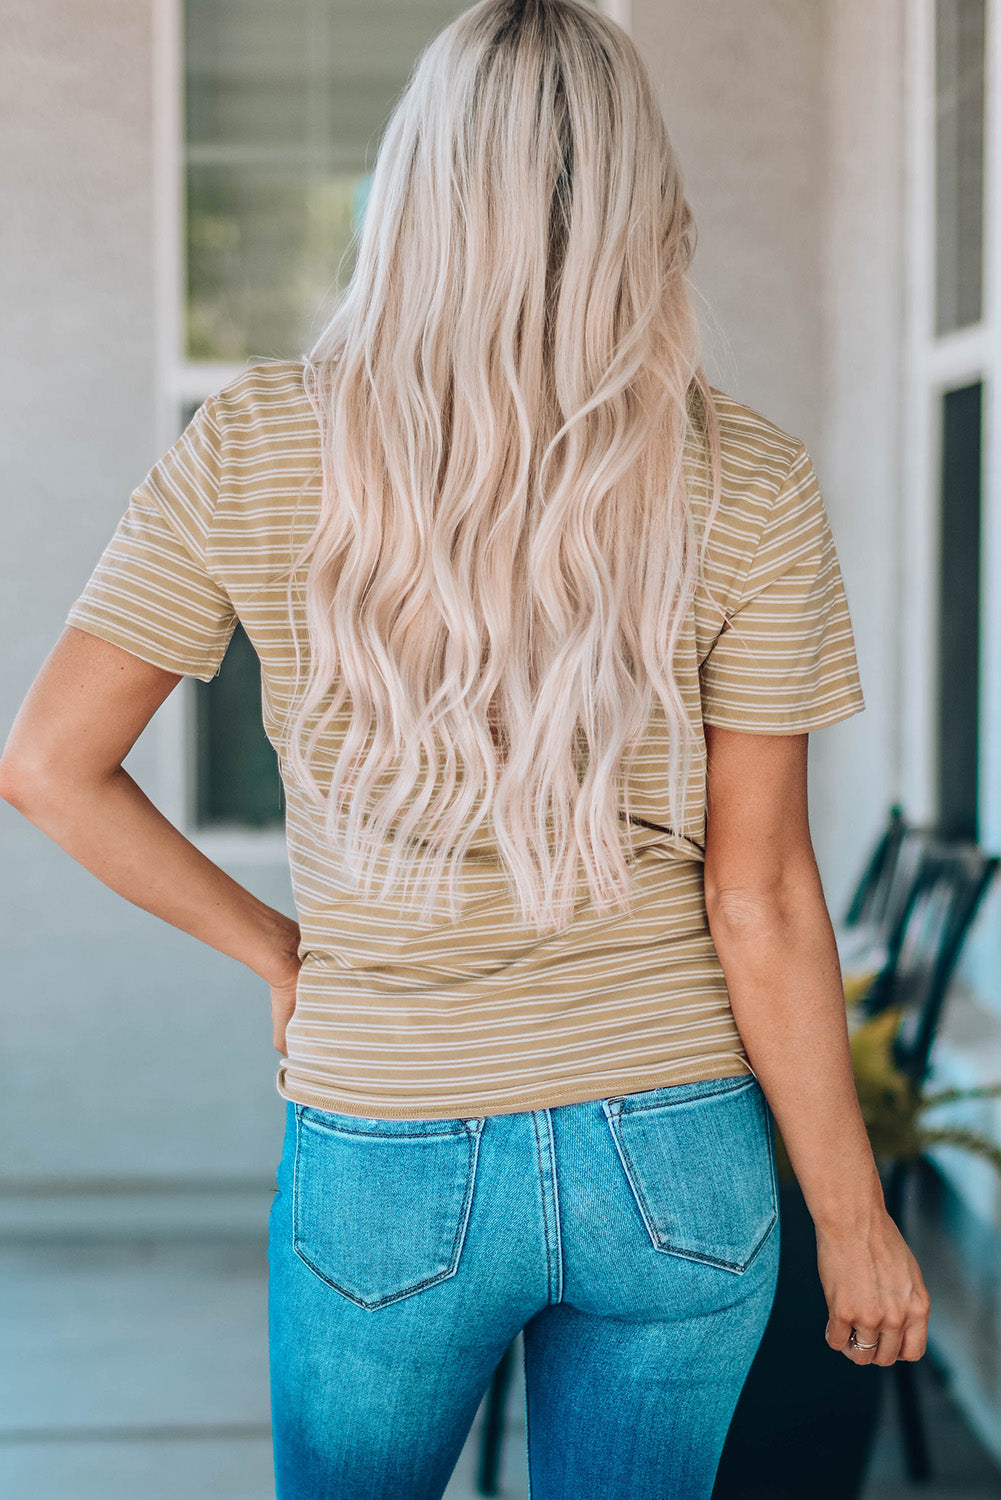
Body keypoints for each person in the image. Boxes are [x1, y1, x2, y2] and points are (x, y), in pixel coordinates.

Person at [0, 1, 930, 1496]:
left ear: (413, 188)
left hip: (385, 1139)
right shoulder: (744, 475)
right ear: (643, 199)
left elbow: (48, 765)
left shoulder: (257, 443)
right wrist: (850, 1214)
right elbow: (755, 896)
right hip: (676, 1153)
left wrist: (281, 954)